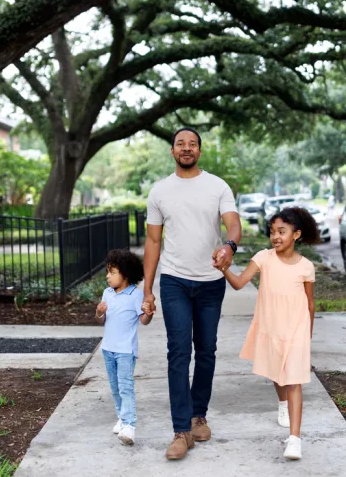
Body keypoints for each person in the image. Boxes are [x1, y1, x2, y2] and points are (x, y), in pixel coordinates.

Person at [142, 127, 241, 460]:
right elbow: (153, 242)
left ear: (200, 150)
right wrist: (148, 290)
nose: (187, 148)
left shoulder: (217, 187)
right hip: (174, 281)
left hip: (211, 282)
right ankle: (181, 430)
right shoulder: (159, 191)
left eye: (192, 144)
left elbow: (233, 223)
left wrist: (229, 246)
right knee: (178, 350)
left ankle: (199, 415)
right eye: (181, 144)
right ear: (172, 151)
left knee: (207, 349)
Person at [221, 206, 318, 461]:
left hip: (296, 329)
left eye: (282, 231)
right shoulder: (264, 257)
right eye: (273, 232)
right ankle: (282, 404)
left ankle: (295, 440)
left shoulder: (306, 267)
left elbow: (309, 303)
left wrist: (308, 333)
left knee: (294, 380)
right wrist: (224, 269)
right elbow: (240, 283)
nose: (276, 237)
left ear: (296, 235)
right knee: (278, 373)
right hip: (272, 328)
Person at [95, 249, 153, 446]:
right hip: (108, 349)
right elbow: (101, 319)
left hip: (126, 351)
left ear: (125, 274)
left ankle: (129, 426)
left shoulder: (135, 296)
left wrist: (149, 313)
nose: (107, 276)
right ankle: (121, 417)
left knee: (126, 387)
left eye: (112, 272)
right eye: (108, 272)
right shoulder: (107, 293)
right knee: (115, 387)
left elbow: (144, 320)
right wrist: (99, 312)